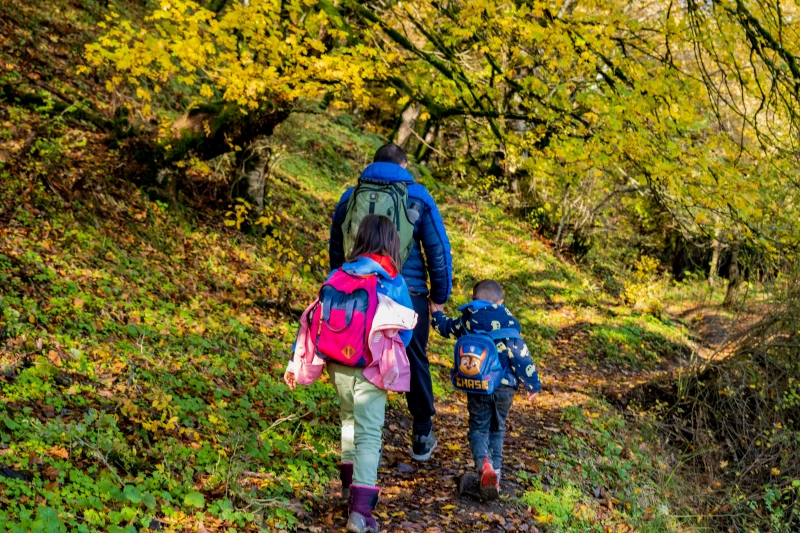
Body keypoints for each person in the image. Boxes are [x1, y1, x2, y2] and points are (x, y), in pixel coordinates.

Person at [285, 215, 416, 533]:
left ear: (359, 239)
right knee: (369, 433)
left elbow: (315, 318)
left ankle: (348, 490)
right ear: (391, 243)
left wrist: (296, 359)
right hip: (371, 365)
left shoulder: (339, 273)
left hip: (336, 361)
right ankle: (359, 514)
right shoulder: (392, 280)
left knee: (348, 422)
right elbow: (407, 331)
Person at [329, 144, 452, 462]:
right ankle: (422, 432)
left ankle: (364, 437)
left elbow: (336, 246)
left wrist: (339, 286)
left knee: (361, 357)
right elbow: (437, 249)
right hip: (407, 292)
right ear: (404, 164)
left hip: (358, 290)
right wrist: (439, 298)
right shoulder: (418, 196)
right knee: (414, 357)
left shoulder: (350, 196)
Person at [429, 280, 541, 500]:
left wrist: (436, 314)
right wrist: (532, 384)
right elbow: (520, 355)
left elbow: (446, 328)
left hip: (478, 385)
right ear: (500, 302)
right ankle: (495, 479)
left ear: (475, 300)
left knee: (478, 428)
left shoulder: (469, 319)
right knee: (497, 429)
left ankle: (484, 466)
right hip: (505, 387)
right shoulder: (509, 322)